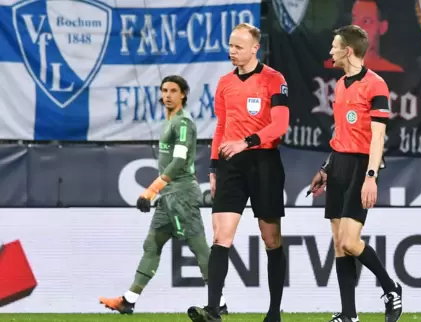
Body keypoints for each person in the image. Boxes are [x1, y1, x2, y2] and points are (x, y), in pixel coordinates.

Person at [99, 75, 227, 315]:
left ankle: (218, 303)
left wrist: (151, 190)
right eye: (164, 90)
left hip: (181, 196)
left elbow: (179, 162)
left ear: (183, 95)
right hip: (168, 197)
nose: (167, 95)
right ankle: (129, 300)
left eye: (173, 90)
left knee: (199, 247)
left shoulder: (183, 123)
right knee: (152, 244)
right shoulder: (169, 122)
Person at [187, 23, 290, 322]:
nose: (232, 51)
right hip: (231, 163)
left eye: (238, 47)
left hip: (263, 162)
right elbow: (221, 126)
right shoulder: (224, 83)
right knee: (221, 237)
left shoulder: (274, 79)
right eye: (231, 45)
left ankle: (273, 312)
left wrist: (247, 142)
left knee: (271, 239)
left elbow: (280, 124)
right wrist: (214, 167)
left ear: (255, 48)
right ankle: (213, 310)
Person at [311, 25, 402, 322]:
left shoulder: (376, 85)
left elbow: (377, 138)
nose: (330, 51)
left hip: (363, 166)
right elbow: (342, 135)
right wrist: (326, 167)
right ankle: (349, 314)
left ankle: (391, 288)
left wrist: (371, 176)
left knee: (350, 241)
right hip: (338, 164)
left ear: (347, 51)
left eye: (334, 46)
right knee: (339, 243)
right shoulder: (340, 84)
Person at [324, 0, 403, 72]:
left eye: (366, 21)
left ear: (382, 27)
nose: (356, 27)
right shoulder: (331, 67)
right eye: (354, 19)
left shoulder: (393, 72)